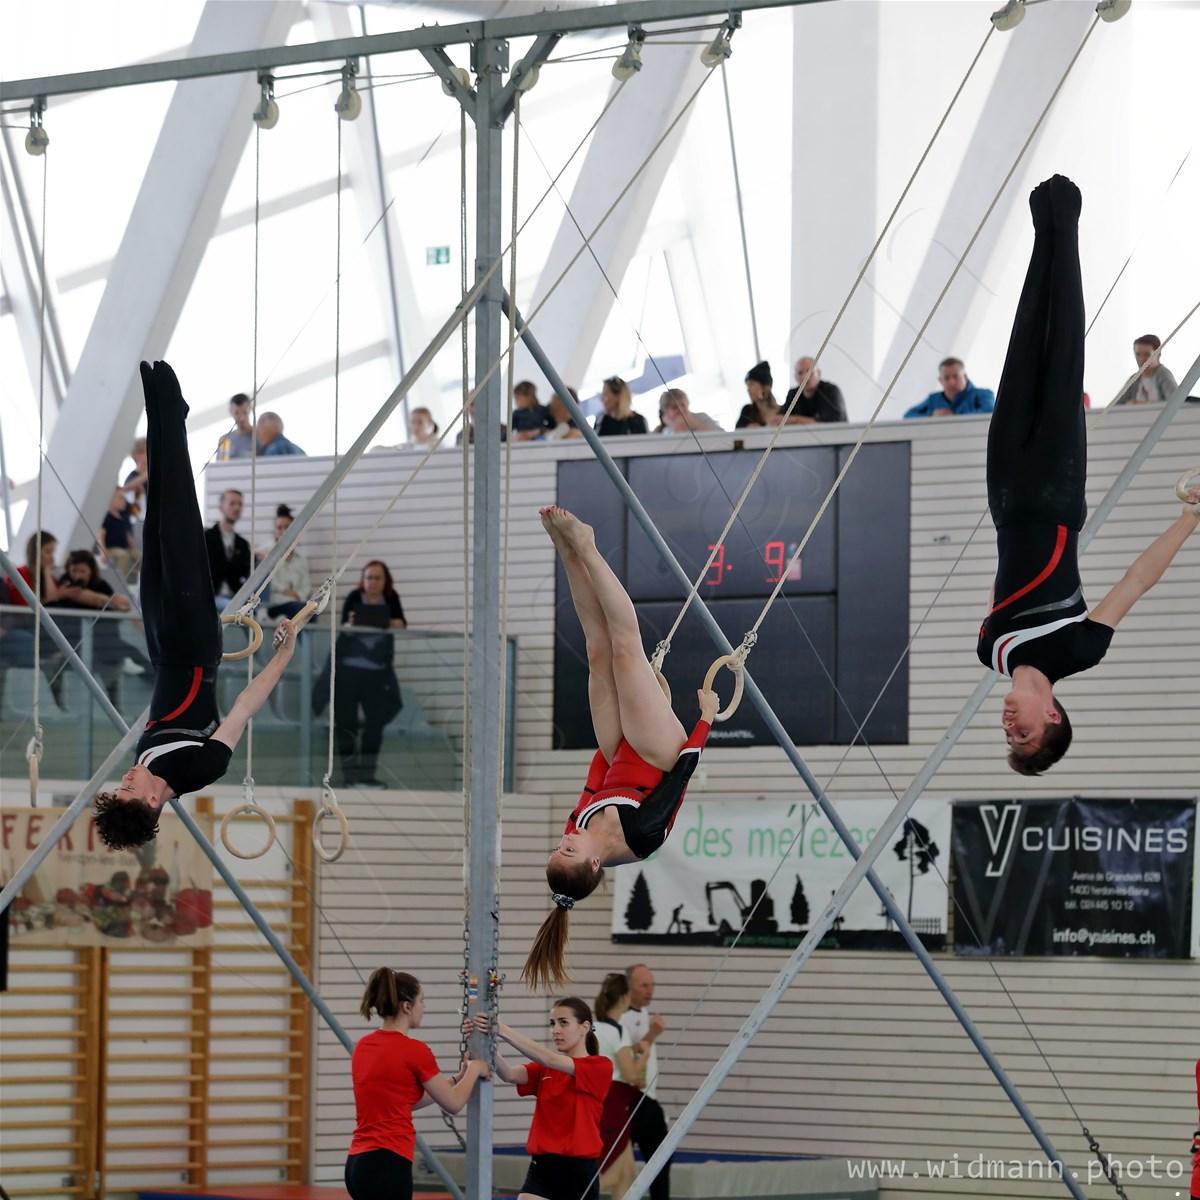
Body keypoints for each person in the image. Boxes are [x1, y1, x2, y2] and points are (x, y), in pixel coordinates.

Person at [978, 175, 1200, 775]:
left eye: (1008, 738)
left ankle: (1041, 234)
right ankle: (1066, 225)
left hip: (1005, 493)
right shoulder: (1078, 650)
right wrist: (1189, 521)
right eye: (1025, 736)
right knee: (1061, 358)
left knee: (1024, 346)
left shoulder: (990, 651)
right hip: (1056, 491)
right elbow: (1136, 581)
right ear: (1052, 715)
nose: (1011, 729)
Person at [92, 360, 298, 851]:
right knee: (179, 520)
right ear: (151, 802)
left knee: (156, 528)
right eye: (127, 791)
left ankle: (157, 413)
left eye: (119, 787)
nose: (124, 780)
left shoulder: (145, 765)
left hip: (163, 644)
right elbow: (244, 708)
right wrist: (283, 657)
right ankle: (173, 415)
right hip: (194, 642)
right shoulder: (199, 769)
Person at [525, 507, 718, 990]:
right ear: (594, 864)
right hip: (660, 755)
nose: (564, 839)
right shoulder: (641, 839)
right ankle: (588, 545)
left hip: (618, 754)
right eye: (568, 850)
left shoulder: (580, 828)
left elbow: (597, 777)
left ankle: (567, 552)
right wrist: (704, 720)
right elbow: (680, 780)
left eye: (557, 847)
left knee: (597, 653)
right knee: (626, 650)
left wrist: (627, 715)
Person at [346, 968, 489, 1200]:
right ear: (407, 1006)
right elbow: (453, 1104)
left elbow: (403, 1102)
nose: (424, 1007)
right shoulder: (414, 1050)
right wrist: (476, 1068)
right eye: (422, 1000)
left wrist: (457, 1078)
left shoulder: (363, 1046)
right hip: (388, 1162)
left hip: (357, 1163)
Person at [468, 999, 612, 1200]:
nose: (555, 1030)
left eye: (563, 1023)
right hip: (542, 1166)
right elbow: (509, 1074)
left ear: (584, 1027)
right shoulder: (546, 1069)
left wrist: (501, 1029)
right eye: (552, 1023)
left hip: (577, 1170)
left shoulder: (599, 1066)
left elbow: (549, 1058)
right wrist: (482, 1040)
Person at [313, 560, 405, 786]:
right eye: (369, 577)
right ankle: (350, 777)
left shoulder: (391, 598)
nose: (373, 582)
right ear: (363, 580)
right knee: (347, 725)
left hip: (377, 675)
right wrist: (364, 622)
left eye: (377, 578)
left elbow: (401, 624)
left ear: (385, 581)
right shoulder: (354, 596)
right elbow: (346, 625)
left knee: (375, 725)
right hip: (348, 673)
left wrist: (381, 621)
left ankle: (367, 776)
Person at [54, 550, 150, 702]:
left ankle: (150, 675)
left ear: (91, 571)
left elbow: (121, 607)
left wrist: (115, 602)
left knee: (129, 652)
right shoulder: (65, 583)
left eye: (82, 571)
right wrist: (109, 600)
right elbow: (79, 596)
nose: (77, 576)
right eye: (74, 571)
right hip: (75, 639)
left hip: (103, 639)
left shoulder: (100, 585)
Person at [593, 972, 648, 1200]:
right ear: (625, 998)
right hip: (613, 1103)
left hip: (598, 1098)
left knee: (627, 1172)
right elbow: (631, 1074)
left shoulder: (593, 1028)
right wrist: (646, 1052)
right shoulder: (618, 1031)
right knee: (611, 1171)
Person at [621, 964, 671, 1200]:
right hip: (628, 1101)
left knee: (661, 1160)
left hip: (648, 1100)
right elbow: (624, 1057)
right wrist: (652, 1034)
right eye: (644, 985)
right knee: (620, 1167)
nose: (650, 991)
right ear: (628, 987)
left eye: (652, 985)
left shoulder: (643, 1013)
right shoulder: (620, 1018)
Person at [259, 504, 311, 620]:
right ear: (275, 531)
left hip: (296, 603)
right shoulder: (266, 552)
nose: (283, 531)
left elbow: (306, 587)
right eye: (279, 528)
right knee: (301, 612)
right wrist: (285, 591)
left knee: (310, 613)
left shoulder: (301, 559)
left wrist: (296, 595)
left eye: (287, 527)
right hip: (274, 604)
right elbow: (267, 584)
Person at [204, 489, 251, 610]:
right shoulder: (205, 538)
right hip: (210, 597)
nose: (237, 508)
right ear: (221, 507)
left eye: (240, 504)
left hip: (235, 597)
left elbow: (246, 573)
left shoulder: (243, 544)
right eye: (232, 503)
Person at [903, 357, 994, 419]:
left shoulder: (984, 394)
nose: (951, 382)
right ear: (940, 380)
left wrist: (954, 416)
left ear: (965, 377)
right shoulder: (933, 399)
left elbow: (990, 412)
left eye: (955, 376)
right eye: (946, 378)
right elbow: (908, 415)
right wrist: (931, 416)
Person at [1115, 333, 1178, 406]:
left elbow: (1176, 403)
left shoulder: (1163, 375)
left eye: (1147, 355)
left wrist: (1143, 404)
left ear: (1158, 354)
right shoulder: (1134, 379)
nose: (1141, 359)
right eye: (1138, 354)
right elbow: (1114, 406)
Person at [784, 357, 848, 424]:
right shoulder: (792, 394)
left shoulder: (831, 391)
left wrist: (795, 420)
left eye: (809, 372)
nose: (805, 377)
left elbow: (832, 423)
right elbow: (780, 419)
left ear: (818, 373)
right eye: (800, 373)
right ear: (795, 377)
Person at [735, 361, 784, 428]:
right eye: (747, 385)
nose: (748, 389)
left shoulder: (784, 411)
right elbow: (737, 433)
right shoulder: (747, 411)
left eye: (751, 384)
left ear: (764, 386)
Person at [216, 393, 255, 461]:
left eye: (245, 412)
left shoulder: (260, 436)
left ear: (250, 409)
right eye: (237, 413)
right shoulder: (225, 440)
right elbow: (221, 465)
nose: (241, 418)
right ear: (230, 412)